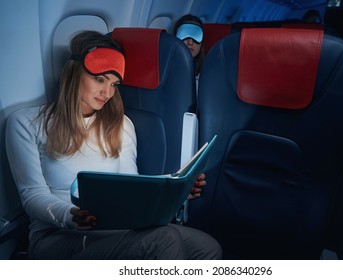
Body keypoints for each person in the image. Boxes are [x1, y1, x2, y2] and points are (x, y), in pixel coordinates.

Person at [5, 30, 222, 260]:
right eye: (100, 80)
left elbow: (131, 186)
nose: (107, 93)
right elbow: (32, 195)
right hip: (57, 236)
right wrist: (72, 215)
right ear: (74, 73)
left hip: (112, 228)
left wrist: (177, 188)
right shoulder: (25, 123)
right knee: (163, 240)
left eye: (114, 84)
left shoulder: (120, 125)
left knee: (207, 248)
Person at [173, 14, 205, 92]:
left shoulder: (207, 74)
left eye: (196, 35)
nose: (190, 42)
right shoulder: (165, 70)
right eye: (184, 34)